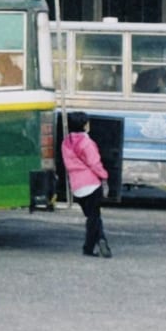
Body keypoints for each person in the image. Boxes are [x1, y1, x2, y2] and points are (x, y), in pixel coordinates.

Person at [61, 111, 111, 258]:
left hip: (76, 186)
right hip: (92, 184)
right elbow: (94, 163)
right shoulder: (87, 143)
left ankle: (102, 240)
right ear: (84, 125)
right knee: (94, 218)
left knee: (92, 217)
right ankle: (89, 247)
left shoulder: (66, 143)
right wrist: (105, 176)